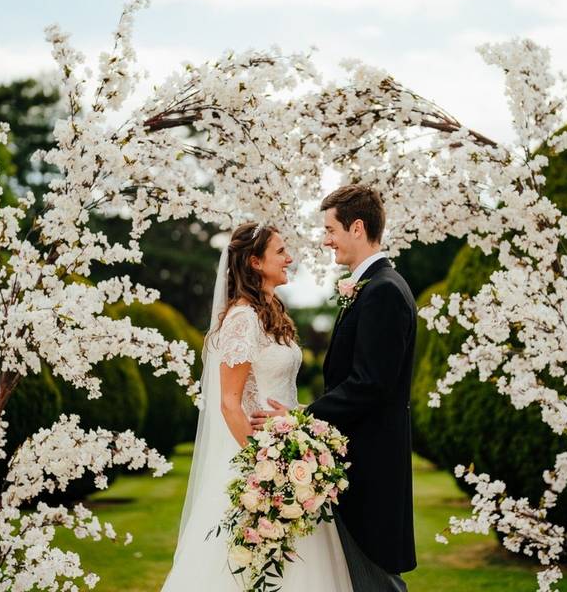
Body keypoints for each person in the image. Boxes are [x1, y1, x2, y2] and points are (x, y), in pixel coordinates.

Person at [161, 222, 353, 592]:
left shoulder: (272, 313)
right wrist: (265, 468)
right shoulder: (241, 319)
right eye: (280, 252)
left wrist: (296, 448)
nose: (290, 258)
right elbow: (230, 404)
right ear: (254, 262)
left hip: (291, 458)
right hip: (260, 465)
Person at [252, 185, 417, 591]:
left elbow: (369, 384)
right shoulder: (376, 287)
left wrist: (300, 417)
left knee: (376, 579)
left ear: (356, 227)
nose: (326, 241)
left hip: (371, 467)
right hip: (358, 462)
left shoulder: (382, 292)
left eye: (330, 230)